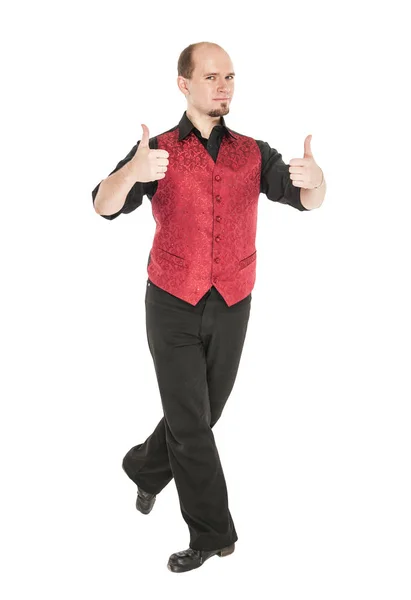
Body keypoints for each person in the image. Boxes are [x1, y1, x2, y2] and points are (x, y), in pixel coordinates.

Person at [91, 41, 326, 573]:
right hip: (171, 303)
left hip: (232, 302)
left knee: (201, 414)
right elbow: (103, 206)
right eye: (212, 76)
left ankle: (144, 467)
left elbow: (307, 199)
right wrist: (132, 170)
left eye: (230, 77)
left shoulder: (253, 152)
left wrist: (318, 183)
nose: (223, 85)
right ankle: (213, 534)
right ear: (185, 85)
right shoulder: (158, 150)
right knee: (192, 426)